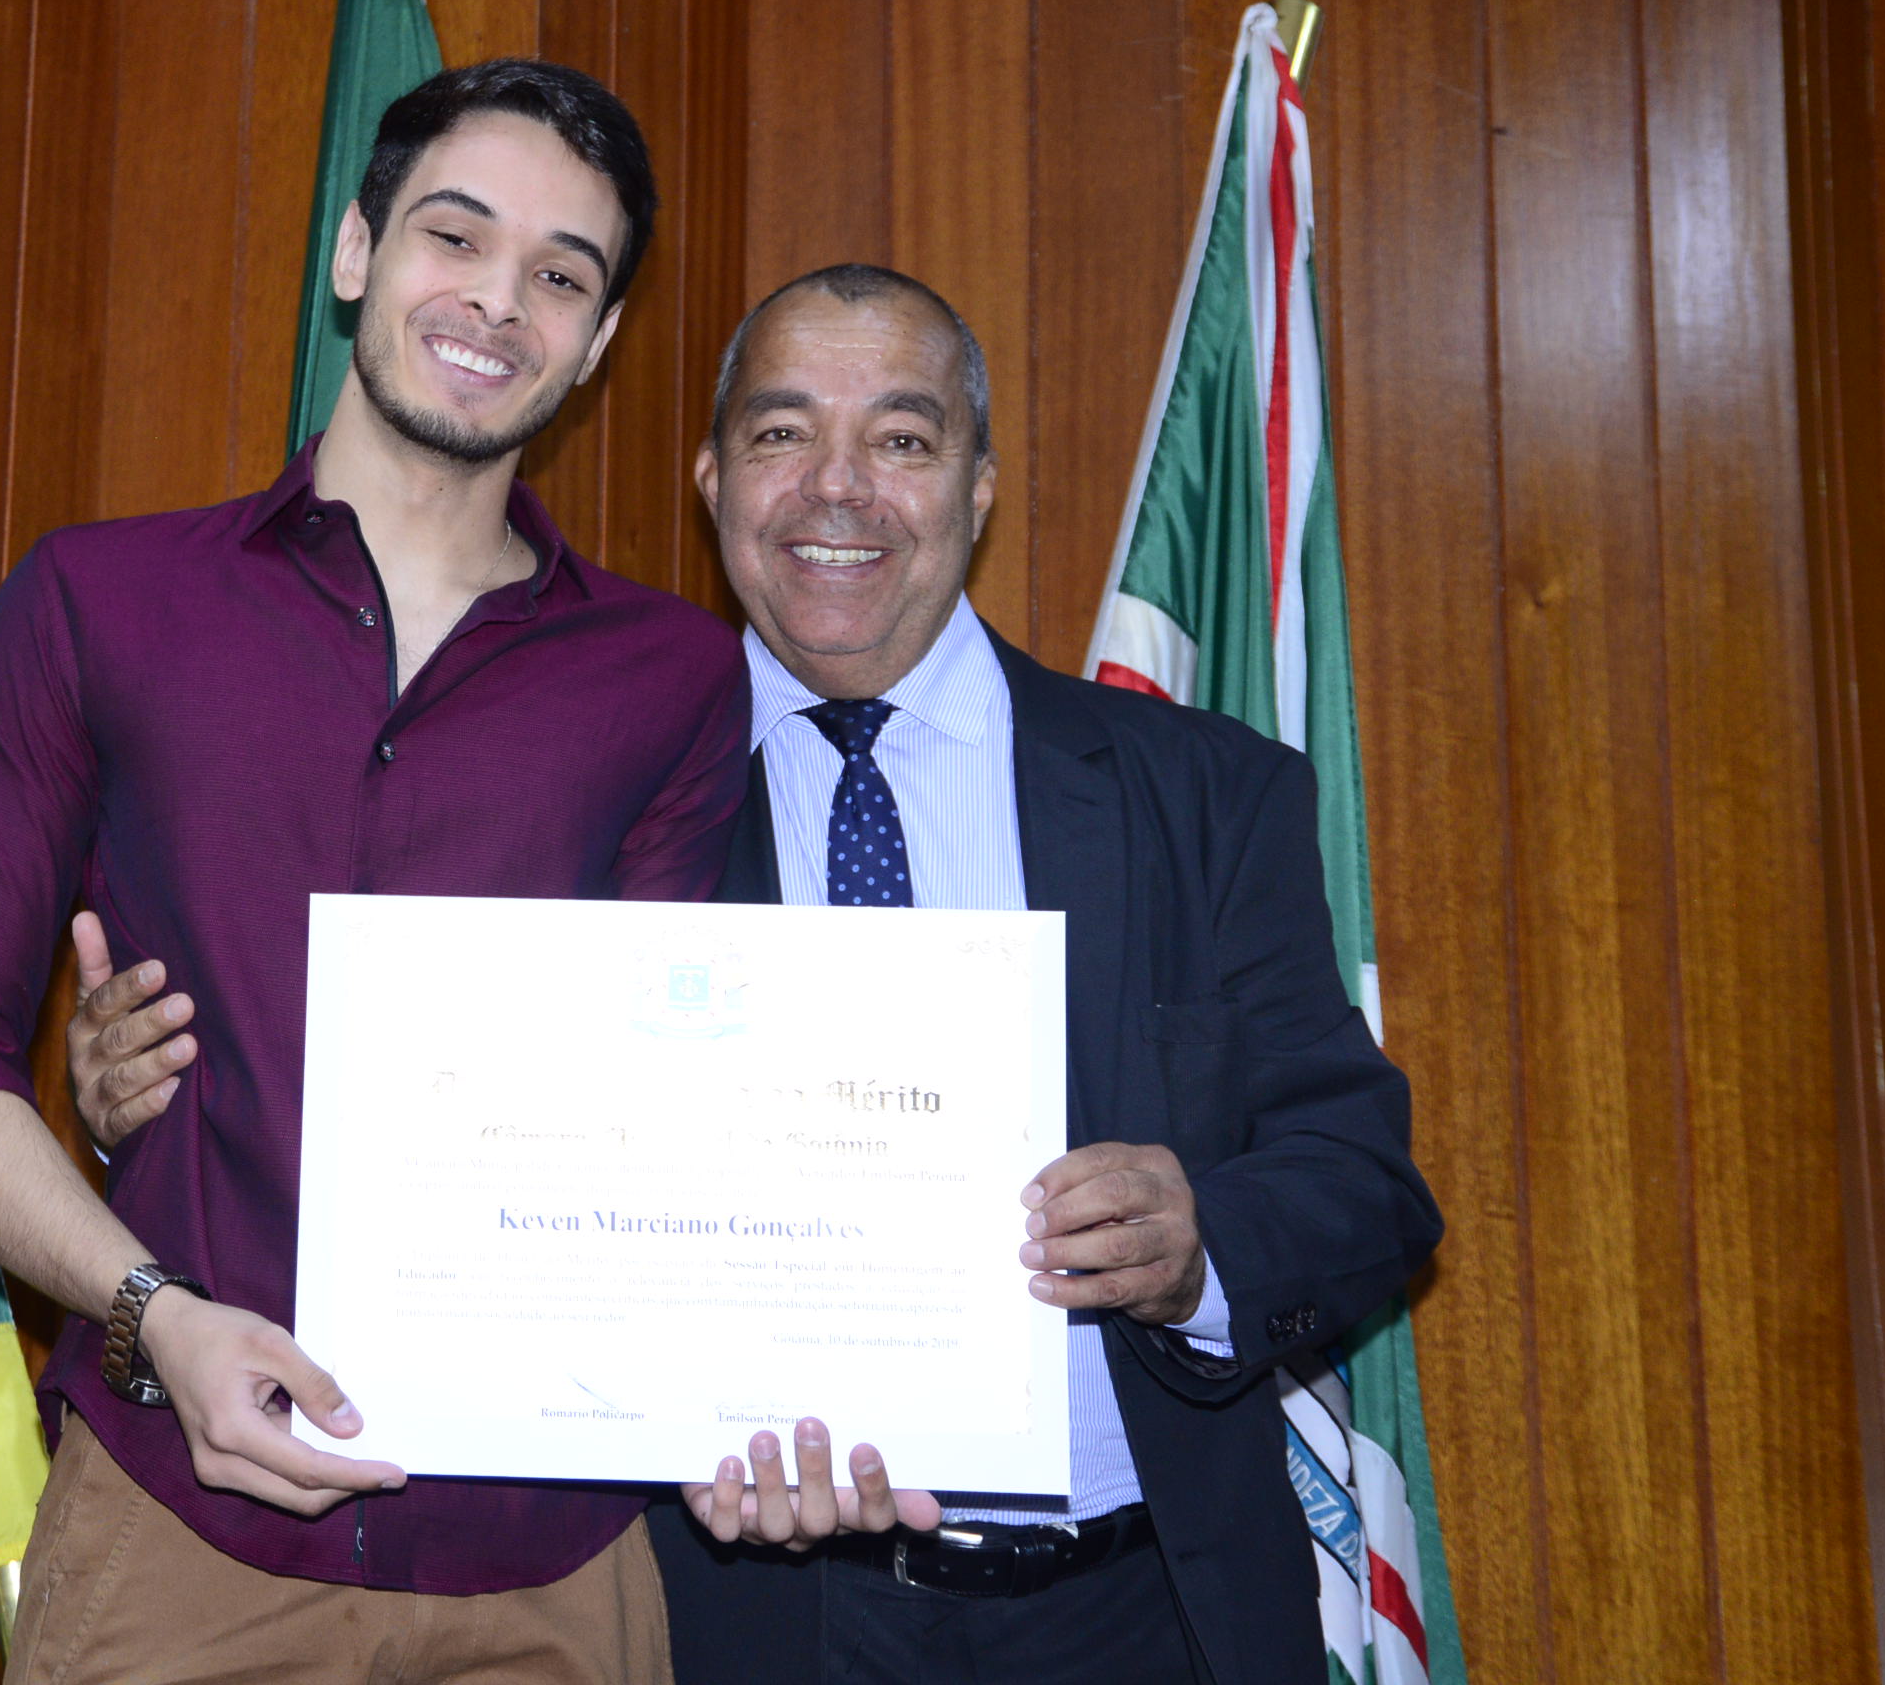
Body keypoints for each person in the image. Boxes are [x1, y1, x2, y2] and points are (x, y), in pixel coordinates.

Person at [71, 264, 1442, 1684]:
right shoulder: (582, 797)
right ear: (714, 482)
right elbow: (412, 1117)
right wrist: (154, 1095)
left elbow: (1363, 1178)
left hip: (1147, 1610)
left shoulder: (1204, 794)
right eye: (784, 434)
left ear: (977, 489)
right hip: (751, 1619)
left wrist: (1198, 1248)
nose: (836, 488)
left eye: (901, 439)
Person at [0, 58, 749, 1683]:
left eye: (561, 276)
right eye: (454, 237)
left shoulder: (678, 681)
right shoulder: (102, 603)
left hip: (549, 1565)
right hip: (180, 1530)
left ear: (600, 341)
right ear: (356, 250)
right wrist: (152, 1314)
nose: (498, 302)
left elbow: (668, 1106)